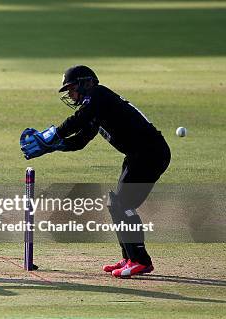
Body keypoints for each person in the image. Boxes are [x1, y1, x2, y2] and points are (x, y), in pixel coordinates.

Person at [20, 65, 171, 278]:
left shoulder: (99, 95)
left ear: (85, 83)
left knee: (123, 204)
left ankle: (141, 261)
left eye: (71, 89)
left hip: (151, 154)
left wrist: (51, 135)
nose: (70, 95)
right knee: (116, 203)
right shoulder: (96, 109)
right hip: (137, 156)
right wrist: (53, 146)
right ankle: (130, 257)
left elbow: (77, 120)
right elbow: (81, 140)